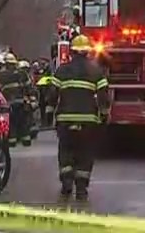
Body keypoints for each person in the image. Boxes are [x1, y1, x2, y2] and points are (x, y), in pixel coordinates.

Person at [43, 35, 110, 201]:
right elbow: (103, 97)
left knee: (66, 151)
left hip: (65, 121)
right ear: (87, 52)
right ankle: (81, 189)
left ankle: (66, 183)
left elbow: (52, 95)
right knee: (85, 153)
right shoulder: (96, 71)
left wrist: (49, 114)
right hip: (88, 122)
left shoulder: (62, 71)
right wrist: (104, 115)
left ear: (71, 52)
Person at [0, 54, 30, 146]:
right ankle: (25, 139)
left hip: (9, 104)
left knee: (12, 123)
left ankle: (12, 141)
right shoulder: (22, 74)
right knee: (23, 121)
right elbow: (29, 88)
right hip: (21, 102)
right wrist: (30, 100)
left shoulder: (2, 76)